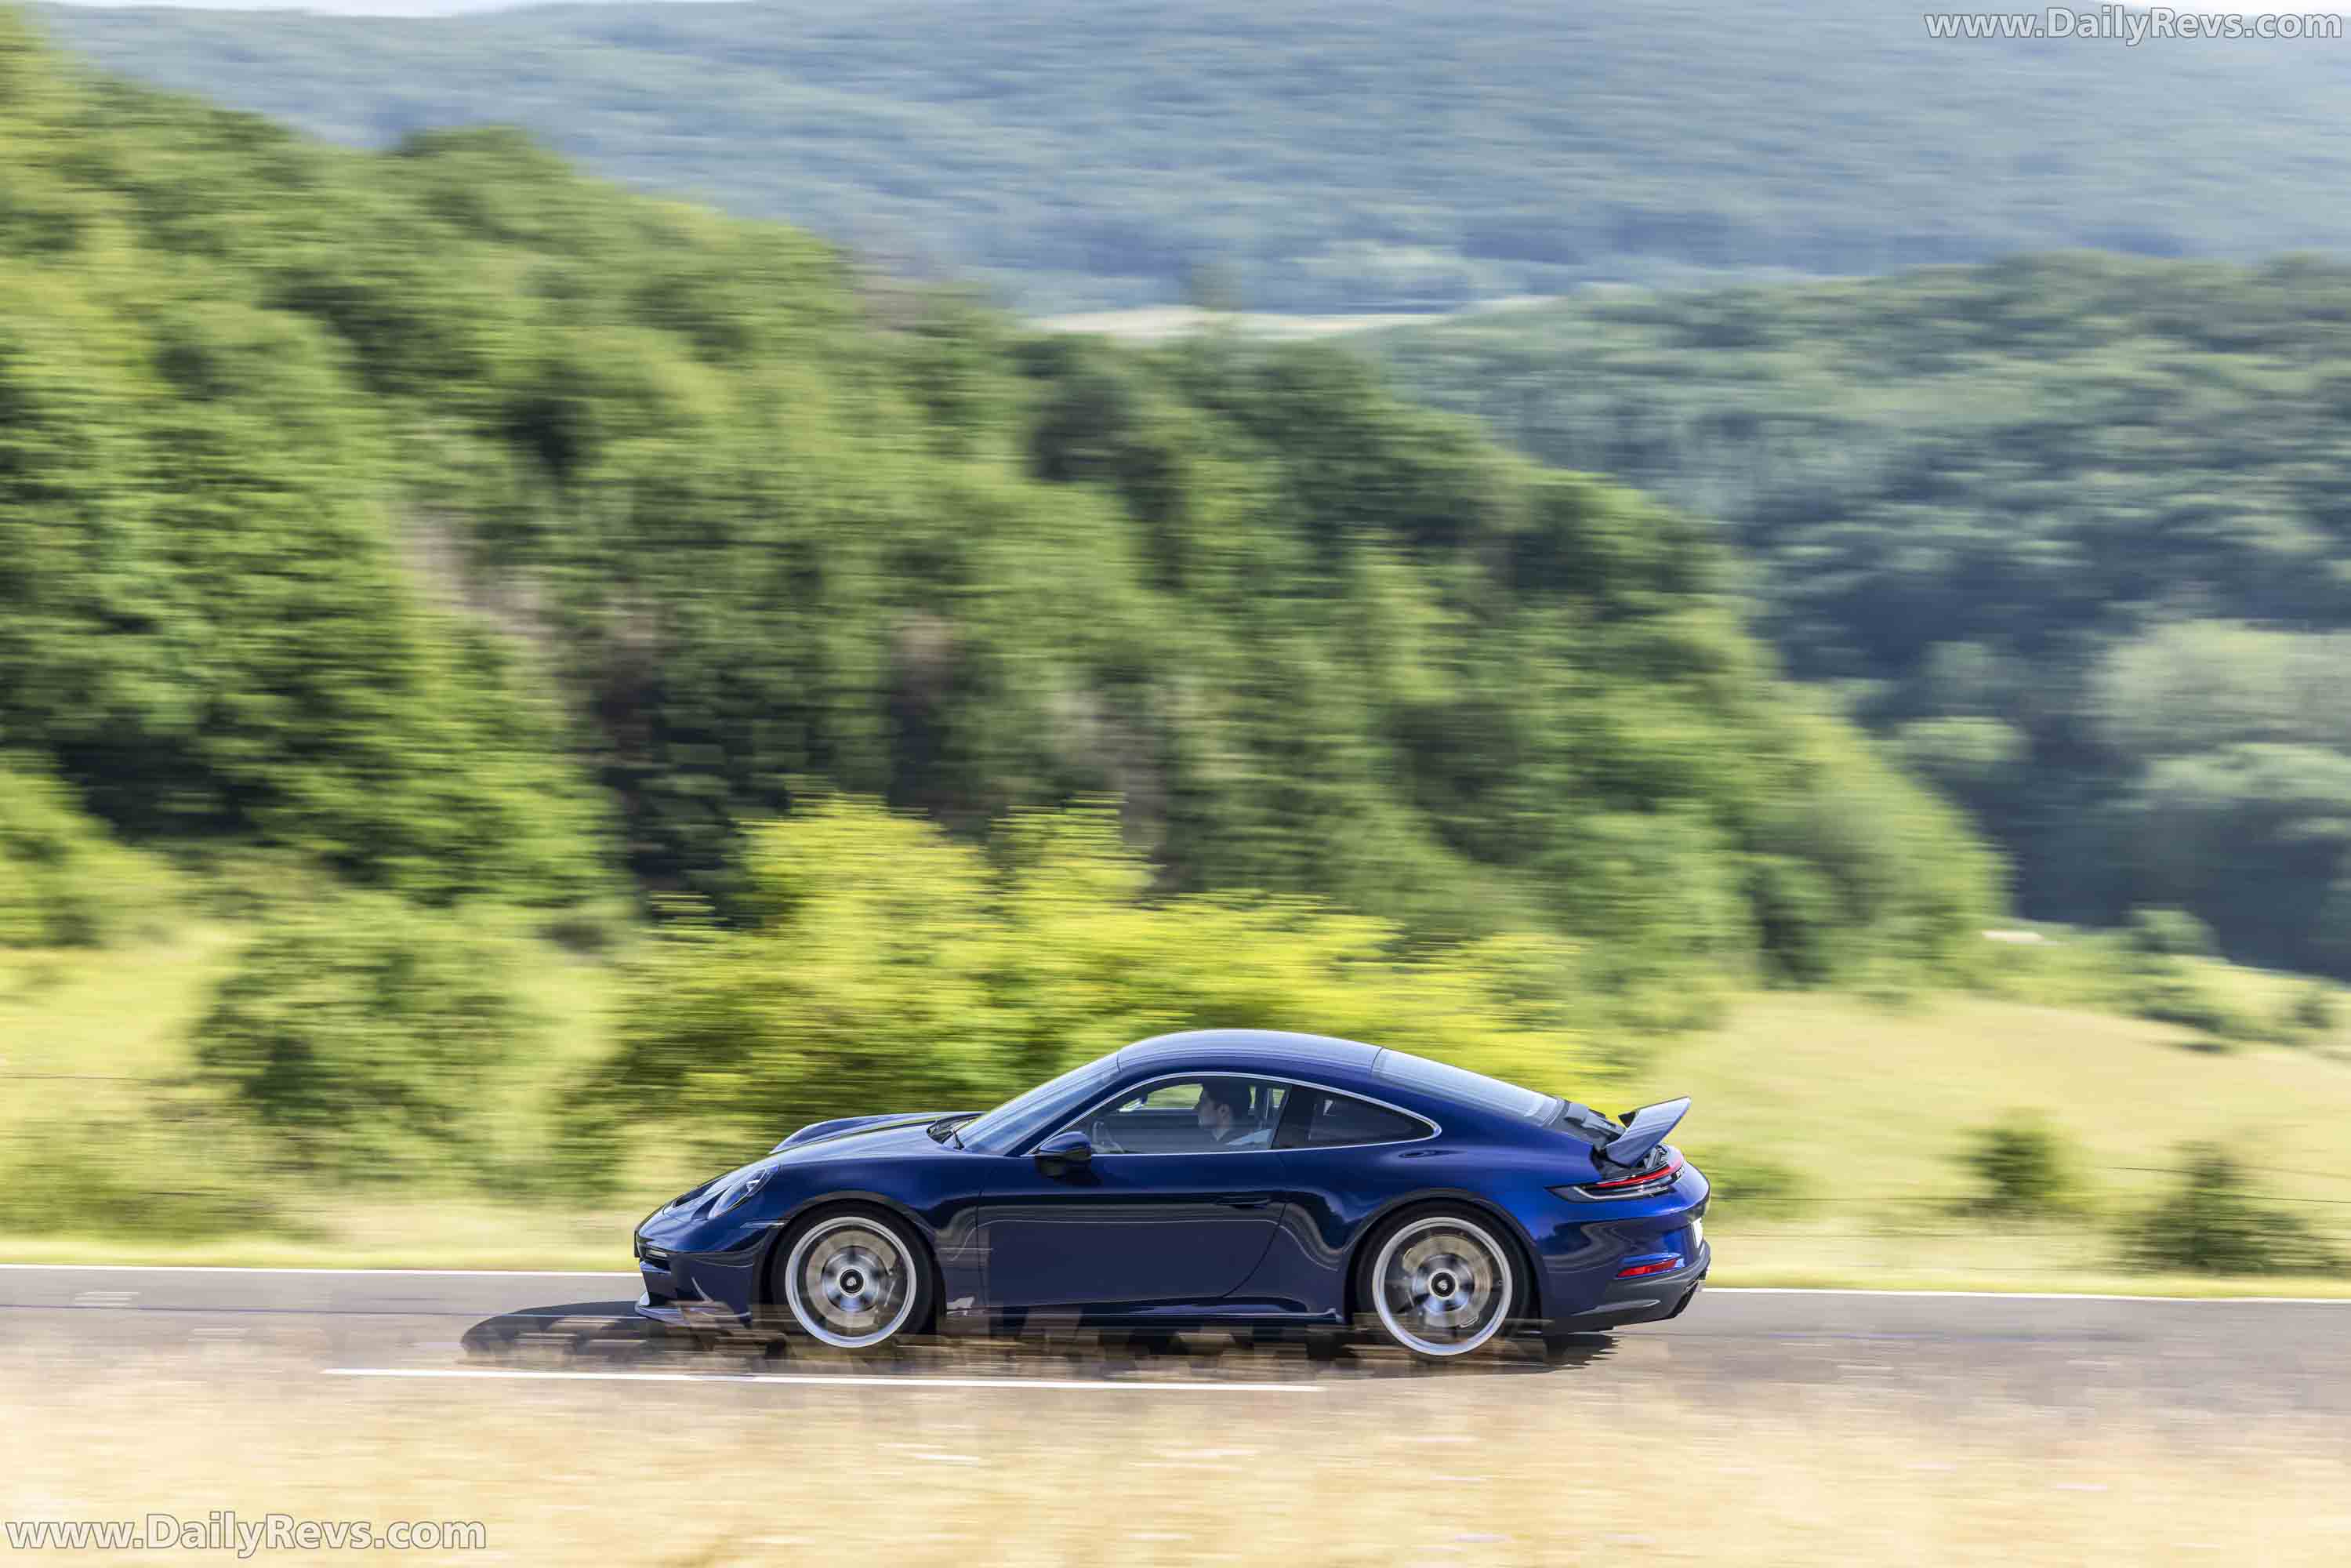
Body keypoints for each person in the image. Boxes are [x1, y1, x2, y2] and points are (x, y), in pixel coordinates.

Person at [1195, 1079, 1273, 1149]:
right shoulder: (1238, 1144)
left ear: (1223, 1111)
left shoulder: (1227, 1151)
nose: (1196, 1108)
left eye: (1203, 1102)